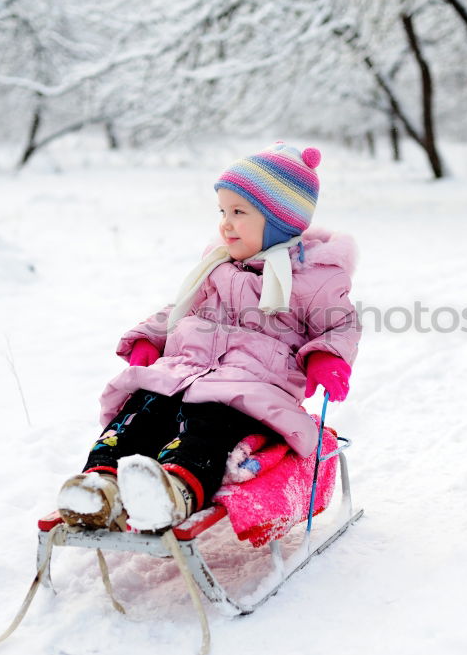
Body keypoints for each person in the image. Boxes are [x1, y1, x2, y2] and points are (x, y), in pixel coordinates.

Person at [57, 143, 360, 533]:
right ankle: (99, 485)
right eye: (222, 211)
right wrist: (149, 337)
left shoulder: (314, 278)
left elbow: (340, 325)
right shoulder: (217, 264)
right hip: (184, 372)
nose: (226, 224)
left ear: (278, 221)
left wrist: (326, 357)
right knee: (140, 410)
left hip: (251, 390)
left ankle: (174, 491)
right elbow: (179, 308)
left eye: (239, 213)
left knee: (208, 427)